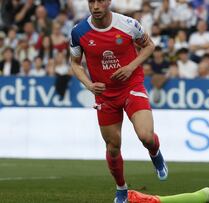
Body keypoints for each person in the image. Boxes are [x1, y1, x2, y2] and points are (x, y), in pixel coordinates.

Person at [69, 1, 168, 203]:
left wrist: (131, 67)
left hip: (131, 86)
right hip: (105, 95)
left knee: (145, 136)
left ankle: (155, 153)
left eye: (100, 1)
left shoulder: (128, 24)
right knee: (113, 147)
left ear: (109, 2)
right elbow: (75, 63)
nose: (95, 6)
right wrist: (89, 84)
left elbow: (149, 46)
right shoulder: (78, 32)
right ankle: (121, 189)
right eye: (91, 2)